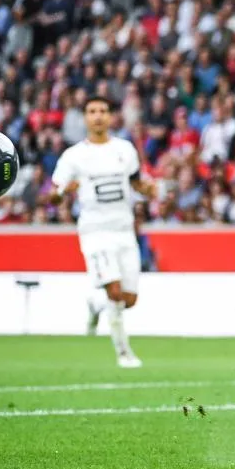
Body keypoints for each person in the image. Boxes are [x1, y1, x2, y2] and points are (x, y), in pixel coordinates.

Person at [49, 96, 156, 368]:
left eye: (103, 111)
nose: (98, 116)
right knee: (115, 292)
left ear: (110, 117)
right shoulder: (73, 156)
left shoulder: (125, 150)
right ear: (85, 117)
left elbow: (136, 183)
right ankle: (124, 353)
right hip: (95, 232)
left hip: (124, 230)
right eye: (92, 111)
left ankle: (95, 305)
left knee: (129, 299)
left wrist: (148, 189)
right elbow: (52, 194)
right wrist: (63, 192)